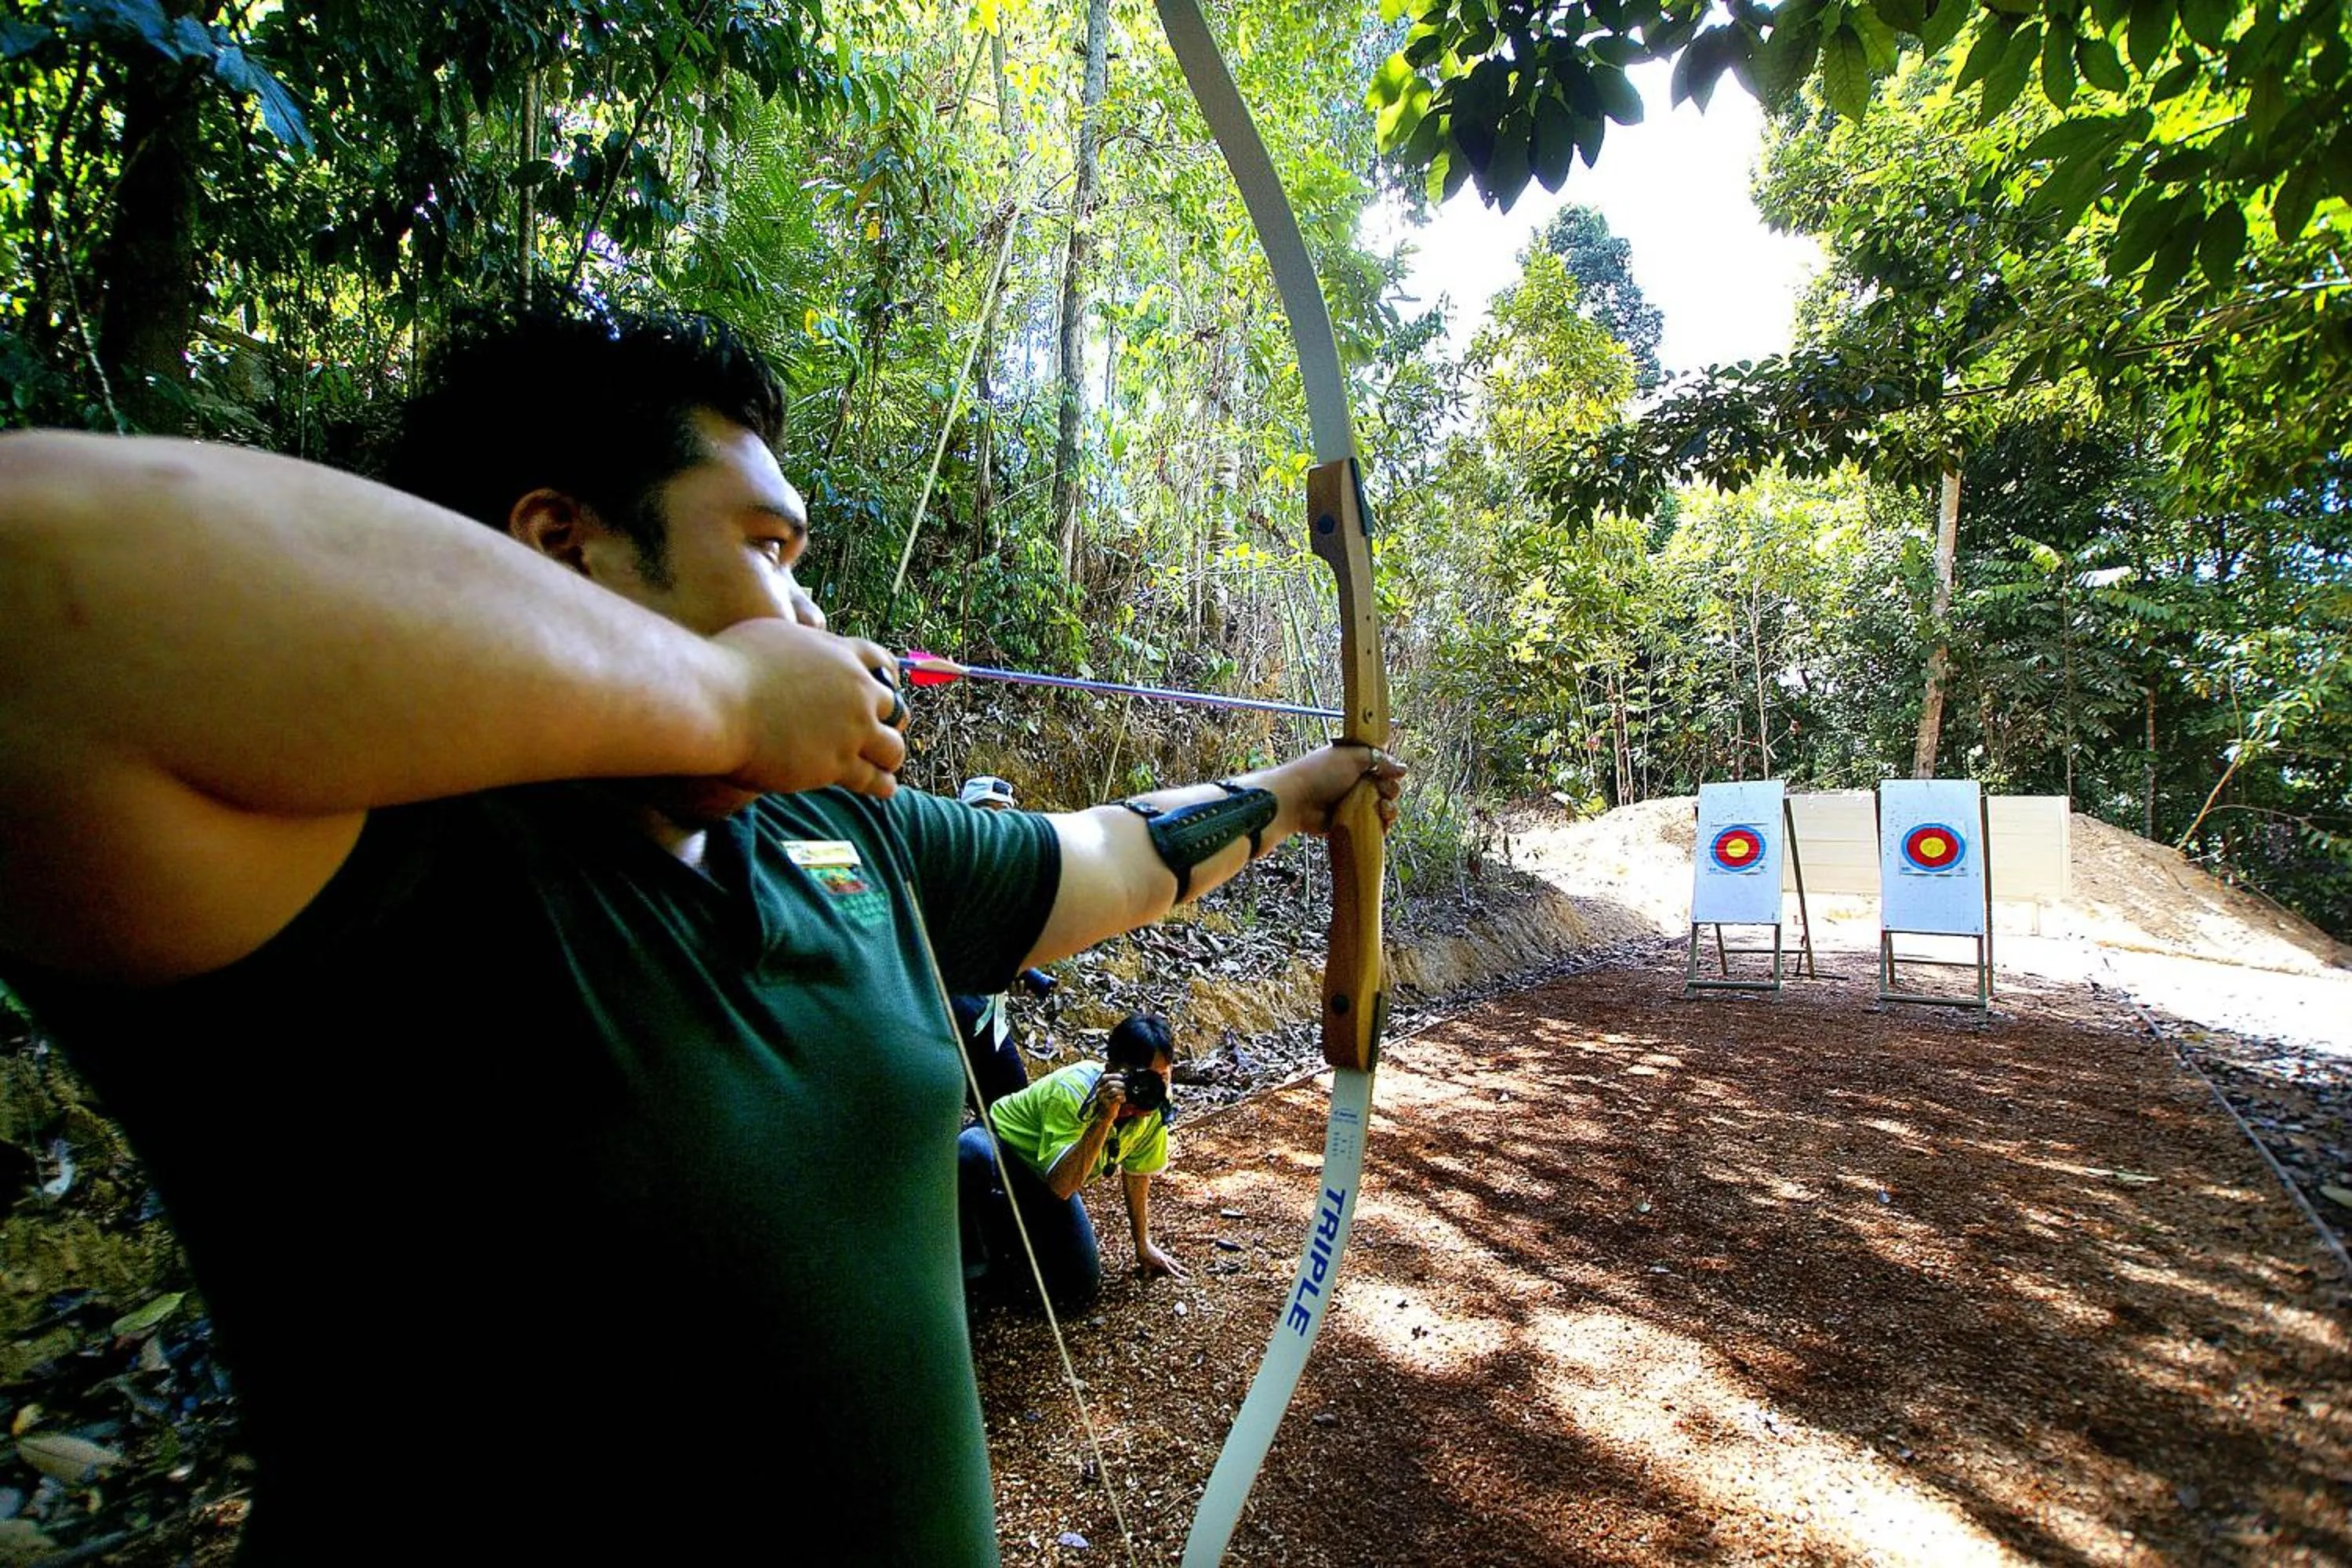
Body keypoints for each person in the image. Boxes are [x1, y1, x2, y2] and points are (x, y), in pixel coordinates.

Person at [0, 307, 1402, 1565]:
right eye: (768, 548)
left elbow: (1107, 854)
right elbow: (36, 573)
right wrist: (720, 704)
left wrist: (1306, 791)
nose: (809, 608)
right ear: (565, 546)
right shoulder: (350, 857)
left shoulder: (844, 837)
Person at [958, 1013, 1186, 1313]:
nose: (1152, 1089)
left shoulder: (1157, 1105)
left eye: (1163, 1077)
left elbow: (1137, 1174)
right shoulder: (1073, 1091)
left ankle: (1008, 1248)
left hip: (1044, 1181)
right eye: (1142, 1078)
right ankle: (973, 1265)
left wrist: (1142, 1244)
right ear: (1113, 1070)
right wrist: (1105, 1118)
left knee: (1078, 1287)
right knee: (969, 1151)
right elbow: (1062, 1185)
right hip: (1003, 1154)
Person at [950, 775, 1057, 1109]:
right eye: (987, 812)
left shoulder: (1008, 878)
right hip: (944, 1025)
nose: (997, 825)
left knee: (1013, 1114)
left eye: (1005, 814)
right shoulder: (944, 867)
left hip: (988, 1022)